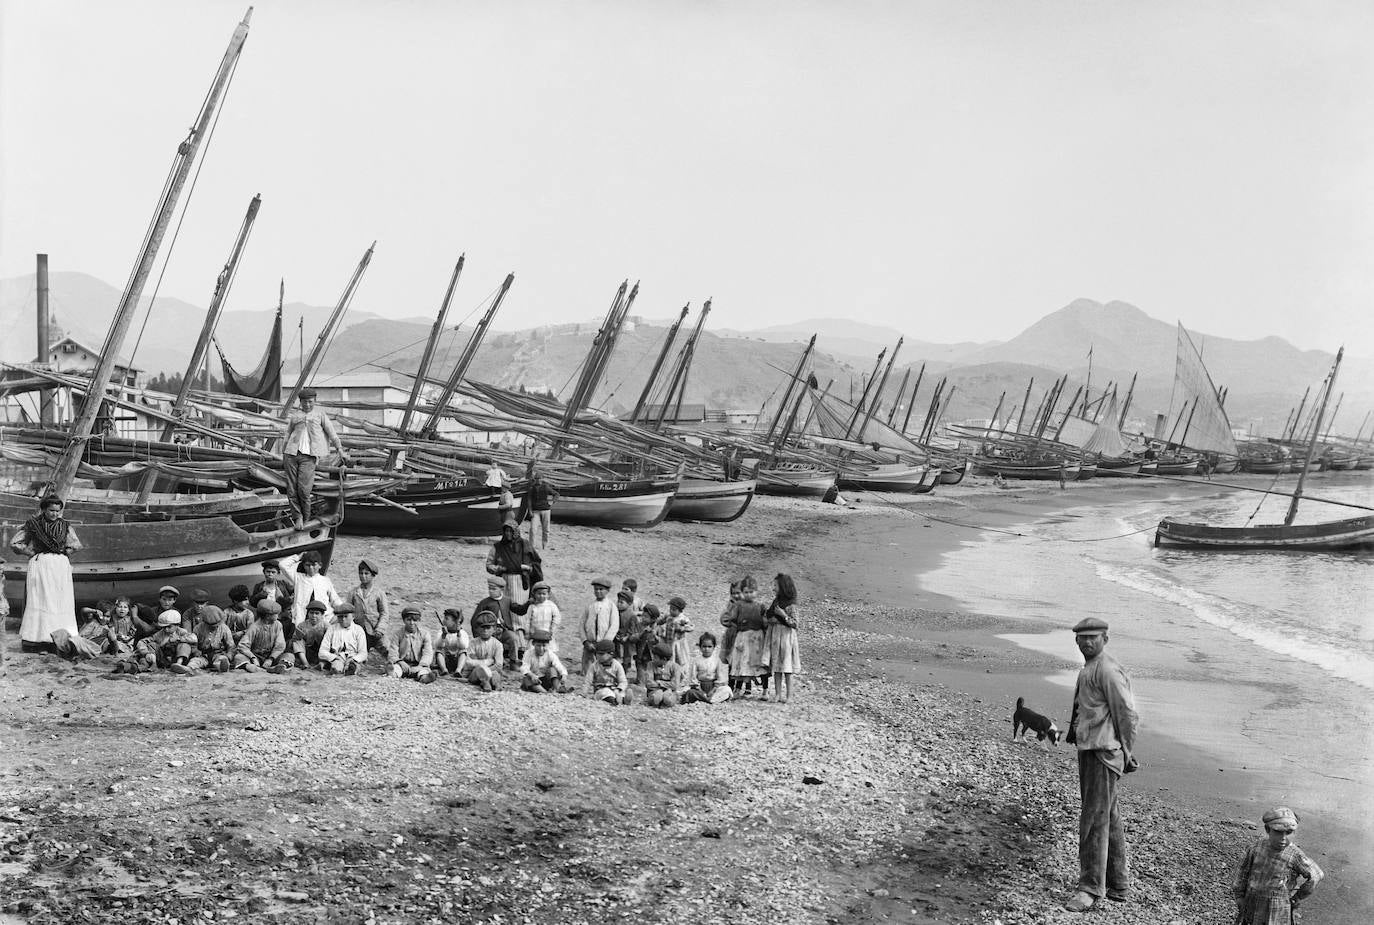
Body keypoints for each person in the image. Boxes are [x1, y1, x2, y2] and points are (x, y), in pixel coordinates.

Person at [1064, 617, 1139, 912]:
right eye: (1082, 638)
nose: (1086, 643)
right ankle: (1118, 884)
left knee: (1094, 819)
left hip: (1103, 751)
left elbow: (1127, 714)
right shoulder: (1090, 667)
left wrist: (1126, 752)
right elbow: (1084, 706)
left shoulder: (1107, 669)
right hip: (1090, 747)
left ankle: (1090, 888)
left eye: (1092, 638)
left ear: (1105, 639)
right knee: (1109, 815)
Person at [9, 495, 80, 653]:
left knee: (60, 601)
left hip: (60, 566)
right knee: (41, 600)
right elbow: (15, 543)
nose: (54, 514)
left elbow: (76, 544)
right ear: (43, 509)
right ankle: (38, 641)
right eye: (51, 510)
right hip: (41, 565)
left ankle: (60, 640)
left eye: (57, 511)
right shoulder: (33, 524)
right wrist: (30, 552)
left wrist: (63, 553)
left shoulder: (65, 525)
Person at [1232, 806, 1323, 924]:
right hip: (1252, 901)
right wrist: (1239, 895)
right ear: (1267, 829)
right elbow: (1242, 872)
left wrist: (1297, 897)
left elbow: (1316, 875)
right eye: (1278, 832)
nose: (1283, 838)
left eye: (1289, 832)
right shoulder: (1256, 848)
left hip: (1278, 908)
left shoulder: (1294, 855)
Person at [282, 387, 348, 528]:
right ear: (300, 402)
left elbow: (332, 434)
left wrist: (340, 450)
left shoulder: (320, 415)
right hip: (291, 455)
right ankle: (298, 517)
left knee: (304, 490)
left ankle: (305, 518)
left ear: (315, 401)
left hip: (309, 457)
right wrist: (284, 450)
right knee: (292, 490)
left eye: (310, 402)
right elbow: (288, 433)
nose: (307, 405)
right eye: (304, 402)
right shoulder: (295, 416)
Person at [472, 575, 526, 670]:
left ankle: (513, 662)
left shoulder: (507, 600)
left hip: (504, 630)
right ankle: (493, 662)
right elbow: (475, 619)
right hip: (489, 632)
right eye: (489, 589)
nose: (491, 591)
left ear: (502, 589)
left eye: (494, 589)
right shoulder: (485, 602)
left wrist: (528, 604)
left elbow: (519, 610)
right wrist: (478, 636)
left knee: (514, 638)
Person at [763, 574, 801, 704]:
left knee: (787, 668)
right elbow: (769, 614)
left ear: (783, 587)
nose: (773, 588)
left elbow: (795, 624)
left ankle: (789, 695)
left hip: (786, 638)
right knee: (777, 667)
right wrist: (771, 619)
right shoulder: (777, 601)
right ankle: (778, 694)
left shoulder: (791, 604)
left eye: (776, 585)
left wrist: (783, 615)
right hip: (776, 636)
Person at [485, 517, 539, 608]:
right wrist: (501, 568)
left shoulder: (525, 545)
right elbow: (489, 565)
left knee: (520, 609)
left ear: (516, 531)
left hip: (521, 582)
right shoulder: (498, 547)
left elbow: (536, 562)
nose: (508, 533)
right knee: (504, 608)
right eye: (506, 531)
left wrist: (528, 568)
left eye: (511, 531)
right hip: (504, 581)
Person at [728, 576, 767, 697]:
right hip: (743, 637)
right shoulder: (738, 606)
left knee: (759, 664)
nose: (749, 595)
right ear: (742, 592)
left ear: (757, 592)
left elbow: (765, 623)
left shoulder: (761, 606)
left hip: (757, 638)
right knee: (741, 662)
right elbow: (732, 620)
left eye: (751, 592)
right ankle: (740, 689)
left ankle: (765, 690)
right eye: (746, 592)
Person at [348, 558, 391, 662]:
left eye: (366, 573)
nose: (363, 576)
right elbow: (348, 610)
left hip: (375, 630)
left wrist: (380, 629)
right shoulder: (354, 592)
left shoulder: (379, 593)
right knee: (356, 655)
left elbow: (384, 613)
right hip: (359, 631)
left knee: (388, 652)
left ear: (373, 575)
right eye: (361, 573)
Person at [233, 599, 290, 673]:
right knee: (238, 657)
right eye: (275, 614)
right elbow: (243, 645)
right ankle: (251, 667)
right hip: (256, 656)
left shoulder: (278, 625)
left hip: (271, 656)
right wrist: (253, 658)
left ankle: (280, 667)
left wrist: (271, 659)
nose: (277, 615)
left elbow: (280, 645)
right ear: (268, 616)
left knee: (289, 656)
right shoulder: (255, 627)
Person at [291, 552, 344, 628]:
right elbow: (283, 565)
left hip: (324, 618)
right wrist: (298, 557)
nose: (311, 568)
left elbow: (335, 599)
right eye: (308, 565)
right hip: (303, 618)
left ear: (320, 565)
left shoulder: (325, 580)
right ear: (304, 566)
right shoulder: (298, 578)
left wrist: (341, 612)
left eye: (314, 565)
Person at [579, 577, 619, 674]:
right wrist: (585, 641)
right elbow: (582, 624)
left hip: (603, 642)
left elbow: (614, 625)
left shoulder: (611, 606)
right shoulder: (590, 605)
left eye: (601, 589)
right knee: (588, 668)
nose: (598, 592)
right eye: (596, 589)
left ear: (607, 591)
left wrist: (605, 642)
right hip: (590, 642)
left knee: (603, 667)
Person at [682, 632, 731, 704]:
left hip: (713, 687)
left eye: (709, 646)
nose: (706, 649)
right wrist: (700, 690)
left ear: (714, 647)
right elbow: (693, 677)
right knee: (690, 692)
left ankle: (709, 699)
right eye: (704, 646)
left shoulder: (717, 660)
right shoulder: (696, 660)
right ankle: (708, 699)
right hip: (700, 688)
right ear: (700, 647)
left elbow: (720, 677)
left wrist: (713, 690)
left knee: (727, 689)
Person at [391, 607, 436, 684]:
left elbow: (427, 653)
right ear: (404, 621)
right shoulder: (398, 634)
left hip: (418, 664)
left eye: (415, 620)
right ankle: (392, 673)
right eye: (408, 620)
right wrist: (400, 662)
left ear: (419, 621)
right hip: (402, 664)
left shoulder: (425, 634)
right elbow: (393, 652)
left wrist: (421, 666)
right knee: (396, 669)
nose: (412, 623)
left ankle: (425, 678)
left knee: (423, 672)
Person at [318, 604, 367, 675]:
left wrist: (353, 659)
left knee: (351, 669)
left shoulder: (358, 630)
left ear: (353, 616)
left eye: (346, 616)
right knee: (337, 670)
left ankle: (352, 669)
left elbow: (363, 653)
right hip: (337, 657)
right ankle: (333, 668)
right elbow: (322, 651)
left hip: (353, 658)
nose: (343, 619)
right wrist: (334, 657)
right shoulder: (332, 629)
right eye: (340, 617)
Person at [463, 611, 504, 691]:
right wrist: (486, 662)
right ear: (477, 629)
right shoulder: (473, 643)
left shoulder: (497, 644)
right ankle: (485, 682)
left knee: (495, 674)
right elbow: (468, 662)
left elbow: (499, 665)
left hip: (492, 670)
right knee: (480, 670)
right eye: (482, 627)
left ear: (494, 629)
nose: (485, 630)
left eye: (488, 628)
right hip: (475, 673)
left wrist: (487, 669)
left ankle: (496, 684)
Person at [520, 629, 570, 693]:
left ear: (548, 645)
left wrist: (564, 675)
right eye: (538, 645)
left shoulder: (550, 654)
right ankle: (545, 692)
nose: (541, 649)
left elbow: (558, 665)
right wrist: (532, 675)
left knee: (552, 670)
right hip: (534, 680)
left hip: (546, 680)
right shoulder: (528, 653)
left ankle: (558, 688)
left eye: (544, 646)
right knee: (526, 679)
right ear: (533, 644)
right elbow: (524, 667)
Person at [188, 604, 235, 673]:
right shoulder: (197, 628)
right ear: (205, 622)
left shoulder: (224, 628)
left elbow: (231, 645)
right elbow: (193, 644)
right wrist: (195, 651)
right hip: (203, 655)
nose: (215, 627)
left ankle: (222, 667)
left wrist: (229, 655)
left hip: (218, 654)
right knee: (194, 662)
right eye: (212, 625)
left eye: (217, 624)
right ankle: (189, 668)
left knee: (222, 660)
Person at [582, 638, 630, 705]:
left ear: (611, 654)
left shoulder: (617, 665)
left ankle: (623, 699)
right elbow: (587, 681)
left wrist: (618, 689)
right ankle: (614, 700)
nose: (598, 656)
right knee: (605, 693)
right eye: (597, 654)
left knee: (622, 693)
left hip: (615, 689)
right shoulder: (594, 666)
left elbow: (623, 681)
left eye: (601, 654)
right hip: (601, 689)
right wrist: (583, 694)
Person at [524, 462, 558, 549]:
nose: (538, 480)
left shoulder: (546, 487)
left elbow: (556, 494)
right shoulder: (531, 488)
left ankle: (544, 545)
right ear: (534, 479)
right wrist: (530, 511)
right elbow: (529, 500)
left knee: (546, 529)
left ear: (542, 479)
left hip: (546, 510)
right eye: (536, 479)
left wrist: (552, 502)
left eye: (539, 479)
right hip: (535, 511)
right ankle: (532, 546)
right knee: (533, 529)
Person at [644, 643, 683, 708]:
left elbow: (675, 685)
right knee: (655, 697)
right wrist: (665, 686)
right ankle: (659, 699)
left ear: (664, 659)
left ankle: (665, 699)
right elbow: (649, 683)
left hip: (670, 691)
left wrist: (659, 683)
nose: (653, 659)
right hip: (654, 691)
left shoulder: (675, 667)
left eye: (655, 657)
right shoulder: (650, 664)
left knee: (668, 698)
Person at [433, 607, 469, 678]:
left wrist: (459, 635)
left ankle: (458, 670)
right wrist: (443, 636)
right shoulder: (441, 632)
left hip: (456, 660)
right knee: (439, 651)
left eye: (447, 619)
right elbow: (437, 645)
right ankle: (444, 670)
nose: (444, 620)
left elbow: (463, 646)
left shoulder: (463, 633)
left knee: (463, 651)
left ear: (455, 622)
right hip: (446, 660)